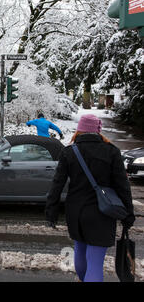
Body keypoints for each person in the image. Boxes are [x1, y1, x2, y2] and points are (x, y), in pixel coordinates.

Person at [45, 114, 135, 282]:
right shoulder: (112, 151)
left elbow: (57, 184)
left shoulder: (69, 152)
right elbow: (123, 187)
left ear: (79, 130)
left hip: (76, 213)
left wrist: (51, 211)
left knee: (80, 251)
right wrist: (128, 214)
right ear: (97, 131)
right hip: (102, 213)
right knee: (94, 262)